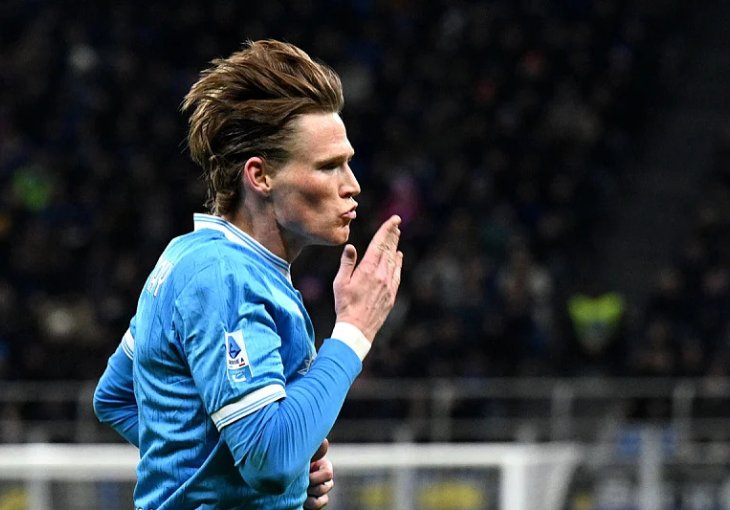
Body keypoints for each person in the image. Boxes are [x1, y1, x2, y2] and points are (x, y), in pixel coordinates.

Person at [93, 39, 403, 510]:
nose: (352, 185)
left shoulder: (189, 257)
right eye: (329, 167)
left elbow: (115, 397)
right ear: (260, 176)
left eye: (348, 163)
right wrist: (354, 332)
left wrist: (267, 471)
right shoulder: (225, 277)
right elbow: (269, 460)